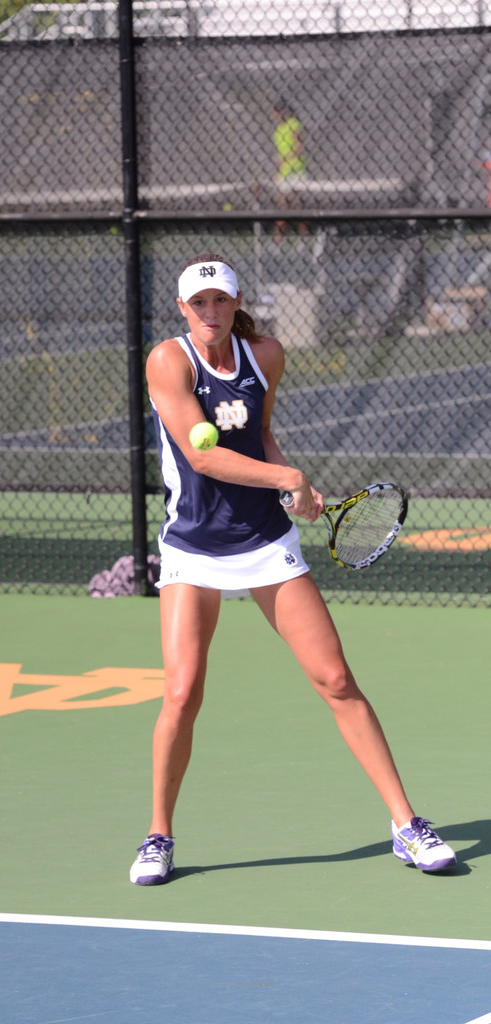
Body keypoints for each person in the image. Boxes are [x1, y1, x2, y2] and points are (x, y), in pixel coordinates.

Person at [129, 252, 456, 885]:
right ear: (182, 309)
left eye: (220, 300)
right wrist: (286, 476)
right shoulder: (168, 361)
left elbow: (262, 437)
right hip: (192, 548)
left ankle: (406, 824)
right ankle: (158, 834)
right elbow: (203, 457)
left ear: (236, 301)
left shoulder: (266, 356)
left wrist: (292, 493)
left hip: (264, 541)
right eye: (198, 303)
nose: (210, 312)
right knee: (181, 693)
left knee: (336, 679)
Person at [272, 102, 308, 242]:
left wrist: (287, 158)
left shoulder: (294, 124)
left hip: (297, 171)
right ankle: (278, 240)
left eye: (276, 112)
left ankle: (303, 239)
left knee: (299, 206)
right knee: (281, 206)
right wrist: (278, 171)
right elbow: (280, 155)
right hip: (284, 173)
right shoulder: (278, 130)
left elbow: (299, 145)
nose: (275, 116)